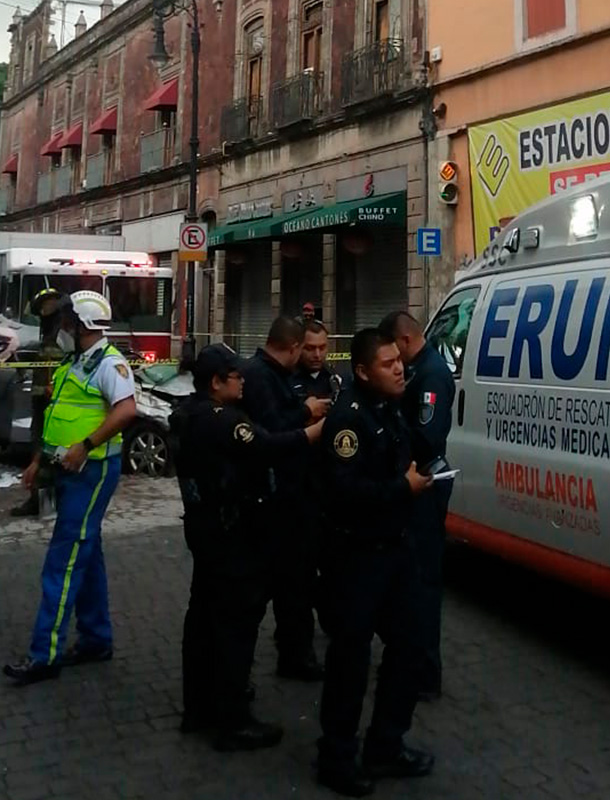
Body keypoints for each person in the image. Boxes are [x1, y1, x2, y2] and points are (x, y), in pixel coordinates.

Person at [172, 344, 324, 750]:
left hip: (205, 530)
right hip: (229, 536)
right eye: (235, 376)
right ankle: (233, 719)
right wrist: (311, 432)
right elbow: (267, 446)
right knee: (235, 625)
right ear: (217, 382)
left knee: (202, 618)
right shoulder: (224, 421)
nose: (243, 381)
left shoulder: (190, 413)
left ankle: (199, 708)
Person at [315, 328, 435, 797]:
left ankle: (386, 744)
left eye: (399, 360)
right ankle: (337, 756)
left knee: (411, 646)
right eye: (387, 364)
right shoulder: (349, 420)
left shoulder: (391, 407)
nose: (399, 368)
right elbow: (344, 493)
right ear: (363, 371)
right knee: (350, 659)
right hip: (356, 556)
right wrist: (402, 489)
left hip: (396, 551)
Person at [3, 290, 137, 686]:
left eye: (67, 322)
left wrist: (87, 446)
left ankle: (45, 654)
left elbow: (127, 410)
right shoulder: (76, 361)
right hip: (68, 469)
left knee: (63, 561)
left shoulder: (109, 364)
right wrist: (38, 461)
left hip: (92, 471)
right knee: (87, 551)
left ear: (82, 325)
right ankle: (96, 638)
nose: (61, 327)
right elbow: (61, 414)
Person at [239, 316, 331, 681]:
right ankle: (293, 656)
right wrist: (308, 415)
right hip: (277, 499)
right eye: (307, 349)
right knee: (287, 582)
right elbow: (272, 432)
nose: (315, 355)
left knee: (296, 582)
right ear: (293, 347)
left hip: (295, 495)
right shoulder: (264, 377)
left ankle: (296, 651)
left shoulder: (266, 373)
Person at [379, 311, 456, 700]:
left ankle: (425, 674)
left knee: (424, 583)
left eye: (394, 352)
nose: (394, 362)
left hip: (425, 485)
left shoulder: (430, 375)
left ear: (405, 340)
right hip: (414, 485)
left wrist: (389, 437)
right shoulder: (419, 369)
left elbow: (426, 437)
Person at [12, 289, 68, 517]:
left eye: (48, 304)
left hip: (56, 400)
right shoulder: (45, 331)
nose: (45, 309)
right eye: (42, 306)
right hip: (40, 400)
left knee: (50, 452)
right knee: (38, 448)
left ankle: (47, 503)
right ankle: (38, 499)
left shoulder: (62, 332)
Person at [292, 320, 341, 402]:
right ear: (298, 347)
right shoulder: (283, 380)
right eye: (310, 348)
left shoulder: (336, 380)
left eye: (322, 348)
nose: (317, 355)